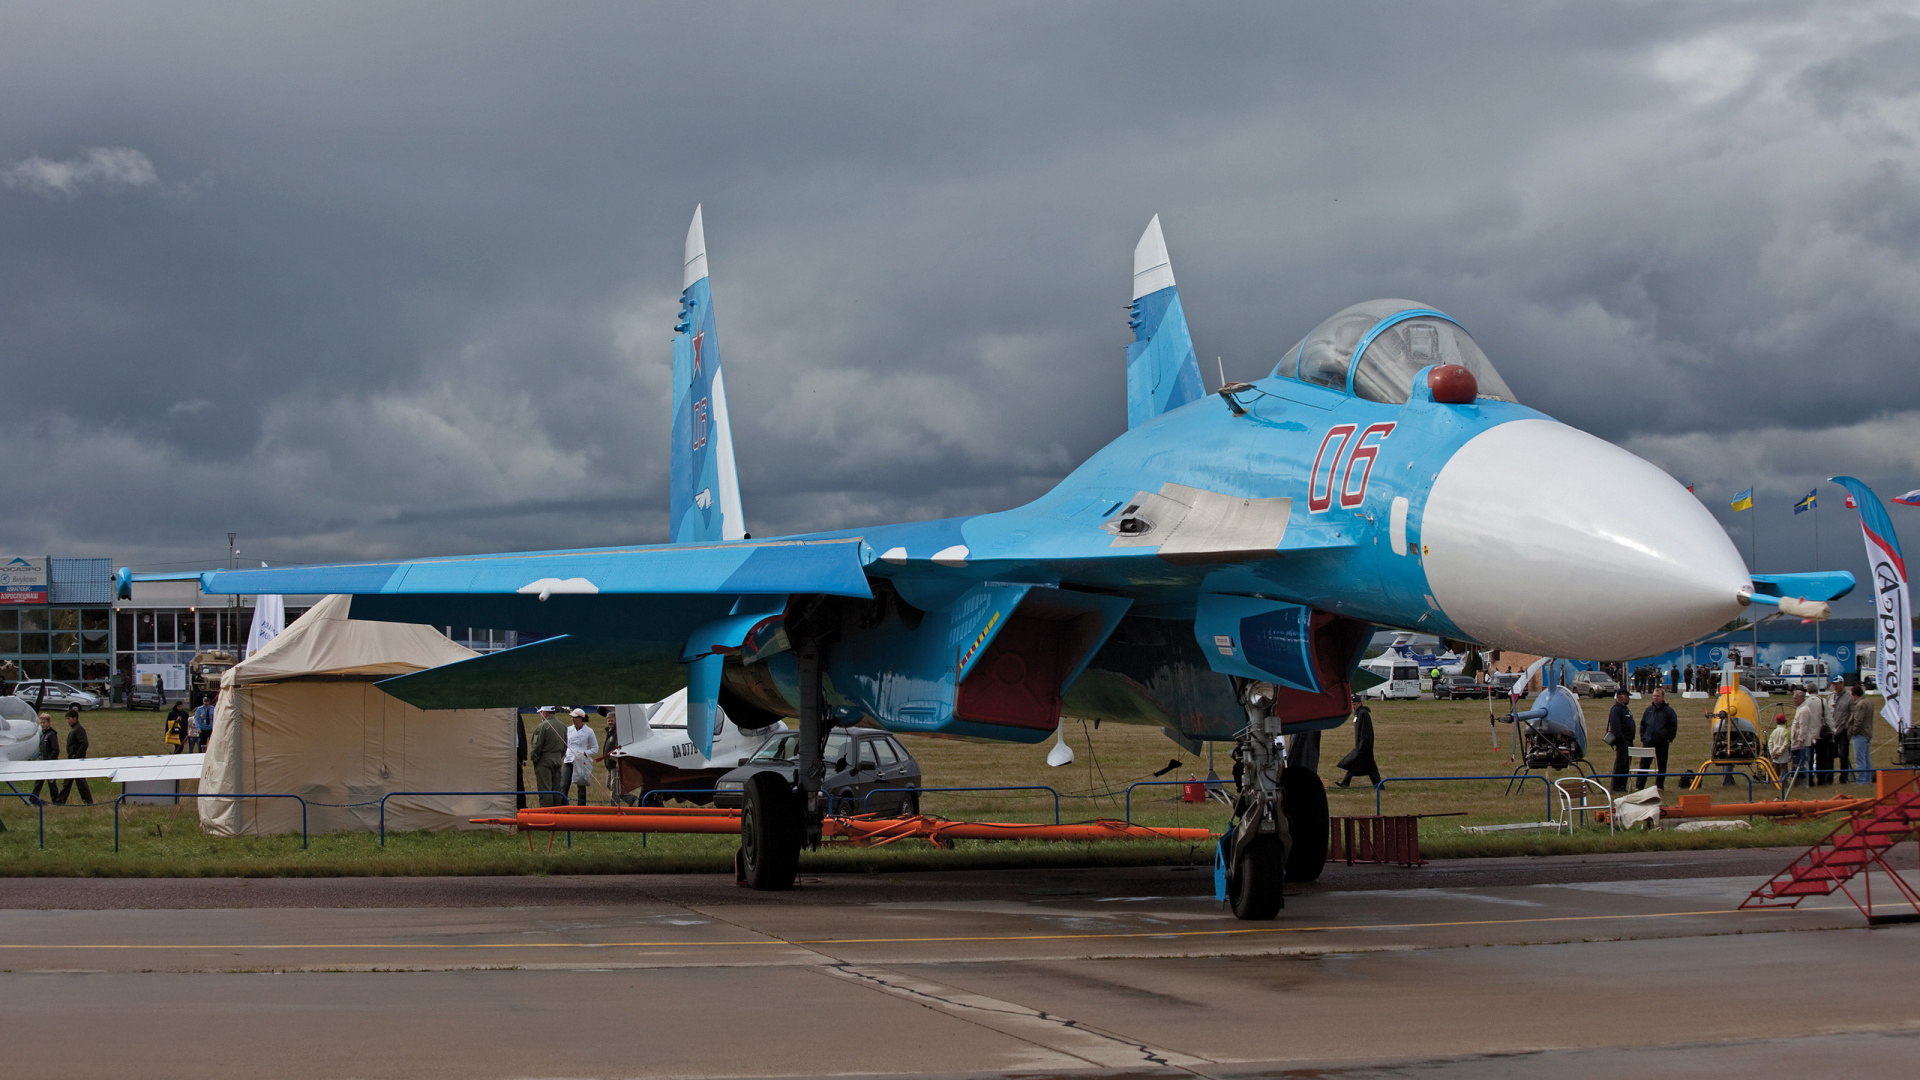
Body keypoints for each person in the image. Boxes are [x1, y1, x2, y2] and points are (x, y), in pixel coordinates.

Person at [1333, 697, 1378, 789]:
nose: (1353, 706)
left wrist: (1362, 744)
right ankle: (1378, 784)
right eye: (1352, 704)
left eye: (1355, 704)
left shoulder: (1363, 713)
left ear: (1360, 703)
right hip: (1360, 745)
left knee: (1359, 763)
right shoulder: (1358, 713)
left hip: (1364, 746)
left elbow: (1365, 731)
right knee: (1363, 765)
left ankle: (1378, 784)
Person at [1637, 687, 1677, 790]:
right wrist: (1643, 737)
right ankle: (1639, 785)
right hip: (1648, 741)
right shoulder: (1649, 710)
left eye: (1658, 696)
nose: (1655, 698)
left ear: (1663, 697)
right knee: (1644, 764)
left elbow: (1673, 726)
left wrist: (1669, 739)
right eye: (1654, 696)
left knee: (1662, 765)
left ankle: (1659, 785)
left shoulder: (1669, 711)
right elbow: (1643, 724)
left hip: (1662, 742)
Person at [528, 706, 567, 807]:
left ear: (545, 712)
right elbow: (565, 744)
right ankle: (557, 811)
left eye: (541, 712)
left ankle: (546, 812)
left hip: (545, 760)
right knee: (556, 789)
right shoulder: (562, 726)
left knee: (545, 789)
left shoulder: (543, 726)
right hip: (558, 759)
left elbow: (537, 745)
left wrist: (535, 758)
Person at [55, 708, 93, 805]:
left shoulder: (79, 729)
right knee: (68, 781)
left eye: (69, 719)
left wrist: (77, 756)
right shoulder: (74, 729)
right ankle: (61, 800)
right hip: (73, 759)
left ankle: (88, 801)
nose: (67, 721)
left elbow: (84, 744)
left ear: (75, 718)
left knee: (80, 781)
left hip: (76, 760)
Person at [564, 707, 599, 806]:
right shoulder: (568, 730)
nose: (572, 719)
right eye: (572, 717)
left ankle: (581, 806)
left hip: (581, 761)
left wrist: (585, 753)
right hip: (569, 760)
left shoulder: (589, 731)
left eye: (575, 717)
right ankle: (563, 805)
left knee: (581, 785)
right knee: (564, 784)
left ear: (581, 718)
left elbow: (595, 748)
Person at [1847, 683, 1881, 784]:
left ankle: (1862, 780)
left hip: (1860, 734)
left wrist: (1853, 731)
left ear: (1855, 694)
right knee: (1866, 759)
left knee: (1860, 759)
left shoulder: (1860, 704)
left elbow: (1858, 721)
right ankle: (1868, 779)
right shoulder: (1868, 702)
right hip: (1868, 733)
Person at [1606, 689, 1636, 793]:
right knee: (1620, 764)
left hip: (1629, 741)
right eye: (1627, 696)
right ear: (1620, 696)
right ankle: (1615, 786)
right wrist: (1622, 740)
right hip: (1622, 742)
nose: (1628, 698)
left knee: (1626, 765)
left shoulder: (1625, 709)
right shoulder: (1616, 710)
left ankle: (1622, 786)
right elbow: (1616, 727)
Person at [1789, 689, 1820, 787]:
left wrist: (1800, 741)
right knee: (1796, 764)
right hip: (1796, 742)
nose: (1794, 700)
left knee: (1802, 765)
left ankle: (1804, 784)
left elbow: (1803, 727)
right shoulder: (1800, 709)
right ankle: (1798, 783)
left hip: (1802, 743)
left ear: (1801, 698)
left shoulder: (1804, 710)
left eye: (1796, 698)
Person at [29, 713, 61, 805]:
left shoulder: (51, 734)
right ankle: (32, 800)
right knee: (38, 782)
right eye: (41, 723)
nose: (42, 724)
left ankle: (56, 801)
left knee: (52, 783)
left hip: (50, 763)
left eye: (44, 722)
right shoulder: (43, 734)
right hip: (42, 762)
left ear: (49, 723)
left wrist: (49, 761)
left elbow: (55, 750)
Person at [1808, 684, 1836, 786]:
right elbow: (1828, 717)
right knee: (1821, 759)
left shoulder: (1805, 702)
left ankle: (1809, 780)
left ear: (1808, 691)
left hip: (1808, 735)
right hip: (1820, 734)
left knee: (1809, 759)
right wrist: (1833, 731)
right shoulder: (1822, 701)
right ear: (1817, 691)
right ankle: (1821, 780)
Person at [1827, 678, 1854, 784]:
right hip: (1831, 730)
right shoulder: (1830, 696)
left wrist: (1846, 726)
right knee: (1829, 756)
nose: (1835, 686)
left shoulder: (1849, 697)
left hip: (1843, 730)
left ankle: (1843, 778)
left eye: (1837, 684)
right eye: (1834, 684)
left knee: (1843, 756)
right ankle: (1829, 778)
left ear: (1842, 683)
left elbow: (1852, 713)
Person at [514, 710, 530, 810]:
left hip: (516, 749)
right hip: (509, 748)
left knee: (518, 779)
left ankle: (521, 804)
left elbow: (521, 733)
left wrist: (523, 753)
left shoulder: (516, 713)